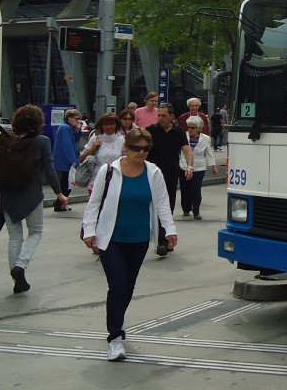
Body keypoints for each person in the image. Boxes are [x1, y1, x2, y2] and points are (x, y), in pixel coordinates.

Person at [80, 127, 178, 361]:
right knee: (118, 285)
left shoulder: (153, 172)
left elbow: (163, 204)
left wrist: (170, 230)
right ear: (126, 148)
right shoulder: (109, 171)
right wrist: (89, 230)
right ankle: (115, 337)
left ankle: (117, 324)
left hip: (139, 238)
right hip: (110, 238)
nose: (141, 153)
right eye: (136, 148)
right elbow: (94, 203)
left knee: (128, 287)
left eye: (146, 149)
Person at [0, 104, 69, 294]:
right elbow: (49, 170)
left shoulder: (6, 140)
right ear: (38, 123)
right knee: (35, 232)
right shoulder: (42, 141)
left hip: (7, 195)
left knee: (14, 236)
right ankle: (21, 265)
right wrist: (59, 193)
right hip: (31, 195)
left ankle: (17, 278)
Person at [146, 104, 193, 256]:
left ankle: (164, 241)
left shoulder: (178, 132)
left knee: (167, 207)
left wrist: (189, 166)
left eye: (163, 116)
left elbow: (187, 150)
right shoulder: (150, 130)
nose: (160, 118)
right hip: (151, 175)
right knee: (151, 207)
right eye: (158, 115)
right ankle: (157, 239)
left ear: (172, 116)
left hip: (171, 175)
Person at [180, 116, 218, 219]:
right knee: (185, 189)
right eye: (188, 127)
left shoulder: (206, 139)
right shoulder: (183, 136)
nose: (190, 130)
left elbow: (209, 153)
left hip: (199, 167)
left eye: (193, 128)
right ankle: (186, 209)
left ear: (199, 128)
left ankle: (196, 211)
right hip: (184, 165)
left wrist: (213, 166)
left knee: (196, 189)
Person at [79, 112, 125, 186]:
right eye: (105, 124)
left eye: (111, 124)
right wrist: (91, 150)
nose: (109, 126)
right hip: (96, 181)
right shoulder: (95, 139)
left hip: (116, 181)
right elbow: (80, 159)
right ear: (101, 126)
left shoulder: (121, 140)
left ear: (116, 125)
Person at [50, 107, 82, 205]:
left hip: (64, 160)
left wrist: (77, 131)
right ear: (69, 118)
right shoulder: (65, 128)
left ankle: (60, 203)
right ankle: (60, 203)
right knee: (66, 183)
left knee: (66, 182)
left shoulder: (67, 128)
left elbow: (74, 141)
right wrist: (71, 160)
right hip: (65, 161)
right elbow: (67, 144)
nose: (77, 121)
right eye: (76, 119)